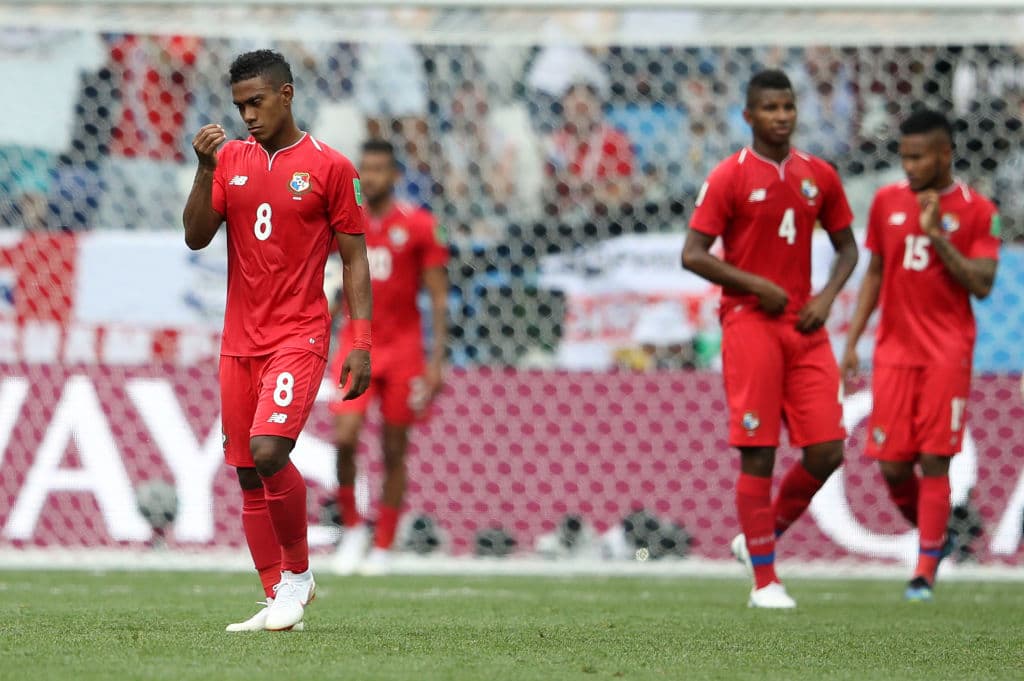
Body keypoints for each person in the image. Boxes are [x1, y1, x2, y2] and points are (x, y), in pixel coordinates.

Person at [182, 50, 372, 631]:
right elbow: (195, 237)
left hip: (299, 334)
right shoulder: (230, 160)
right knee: (246, 471)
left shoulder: (330, 167)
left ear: (286, 95)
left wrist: (361, 341)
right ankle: (278, 597)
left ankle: (299, 576)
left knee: (269, 451)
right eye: (239, 105)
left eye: (256, 102)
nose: (247, 115)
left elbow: (355, 258)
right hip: (239, 340)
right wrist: (205, 170)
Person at [681, 69, 859, 609]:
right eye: (770, 108)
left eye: (788, 107)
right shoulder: (729, 176)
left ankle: (759, 538)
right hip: (750, 323)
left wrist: (826, 298)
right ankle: (765, 582)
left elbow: (848, 248)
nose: (781, 116)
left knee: (827, 450)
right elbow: (693, 254)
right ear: (749, 115)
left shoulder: (818, 175)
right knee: (758, 452)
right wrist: (756, 285)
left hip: (804, 325)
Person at [840, 109, 1000, 602]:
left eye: (918, 158)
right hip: (893, 351)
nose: (908, 167)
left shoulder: (978, 210)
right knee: (891, 465)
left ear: (945, 154)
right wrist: (852, 340)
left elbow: (982, 283)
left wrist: (937, 237)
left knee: (934, 460)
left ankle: (924, 571)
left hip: (946, 353)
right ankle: (941, 532)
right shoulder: (887, 200)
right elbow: (875, 272)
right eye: (904, 157)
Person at [329, 139, 449, 576]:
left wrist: (436, 361)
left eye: (380, 169)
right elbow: (331, 284)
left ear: (396, 175)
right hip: (355, 344)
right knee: (345, 437)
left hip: (403, 350)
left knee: (394, 449)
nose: (372, 177)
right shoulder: (344, 220)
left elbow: (438, 298)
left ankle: (383, 543)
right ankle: (352, 528)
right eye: (366, 168)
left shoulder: (419, 225)